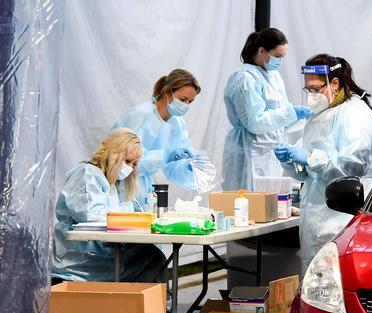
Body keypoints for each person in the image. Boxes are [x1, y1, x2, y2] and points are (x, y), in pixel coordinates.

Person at [274, 54, 372, 273]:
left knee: (337, 283)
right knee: (315, 283)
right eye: (308, 90)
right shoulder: (322, 114)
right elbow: (310, 173)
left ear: (334, 83)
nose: (311, 95)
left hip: (342, 218)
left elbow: (350, 167)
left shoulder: (355, 115)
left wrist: (309, 157)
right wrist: (291, 162)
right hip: (317, 217)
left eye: (315, 89)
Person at [51, 129, 167, 283]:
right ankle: (144, 305)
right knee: (151, 258)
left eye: (134, 164)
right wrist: (127, 211)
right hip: (78, 256)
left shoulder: (108, 181)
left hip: (96, 251)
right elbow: (91, 216)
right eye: (127, 161)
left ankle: (144, 304)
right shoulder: (87, 174)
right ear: (114, 153)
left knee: (151, 255)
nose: (130, 168)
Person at [222, 28, 312, 191]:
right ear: (262, 51)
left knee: (270, 200)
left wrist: (299, 117)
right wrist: (291, 113)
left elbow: (280, 120)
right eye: (277, 56)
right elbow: (254, 123)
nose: (280, 61)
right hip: (249, 151)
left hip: (271, 151)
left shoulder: (274, 76)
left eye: (283, 57)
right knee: (246, 203)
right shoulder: (244, 78)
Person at [111, 68, 202, 204]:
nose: (186, 105)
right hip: (121, 187)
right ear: (167, 92)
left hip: (144, 191)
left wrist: (189, 167)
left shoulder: (178, 124)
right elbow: (123, 162)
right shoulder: (140, 116)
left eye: (190, 101)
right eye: (183, 99)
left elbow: (174, 170)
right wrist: (164, 156)